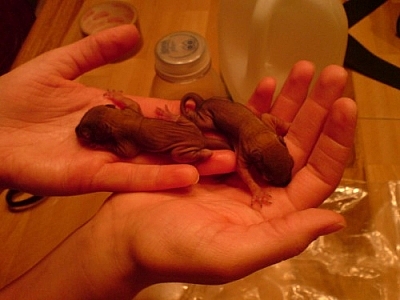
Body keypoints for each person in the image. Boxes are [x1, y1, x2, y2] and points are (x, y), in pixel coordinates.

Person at [0, 25, 357, 299]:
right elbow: (239, 161)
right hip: (207, 117)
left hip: (206, 121)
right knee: (201, 145)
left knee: (204, 143)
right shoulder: (252, 145)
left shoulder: (257, 139)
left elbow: (244, 149)